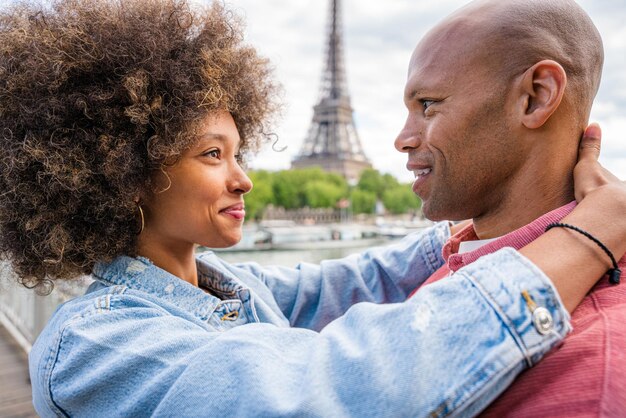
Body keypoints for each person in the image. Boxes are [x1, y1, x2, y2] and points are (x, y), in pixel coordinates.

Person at [0, 0, 623, 416]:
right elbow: (323, 386)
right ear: (125, 174)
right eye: (213, 155)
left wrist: (502, 224)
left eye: (239, 153)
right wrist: (588, 233)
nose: (245, 180)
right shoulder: (94, 345)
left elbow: (362, 279)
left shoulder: (225, 287)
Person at [395, 0, 626, 415]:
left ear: (536, 97)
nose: (403, 138)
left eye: (428, 104)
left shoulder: (588, 386)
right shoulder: (469, 251)